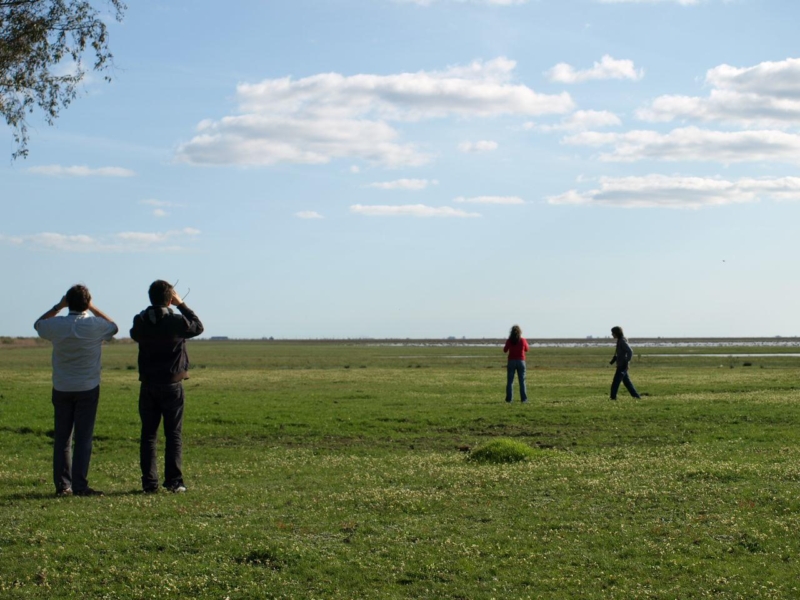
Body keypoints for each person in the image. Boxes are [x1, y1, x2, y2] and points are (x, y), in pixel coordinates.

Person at [34, 285, 118, 497]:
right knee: (83, 438)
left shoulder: (57, 325)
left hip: (61, 386)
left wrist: (58, 306)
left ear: (68, 302)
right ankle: (80, 485)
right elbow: (113, 327)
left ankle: (63, 486)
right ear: (87, 303)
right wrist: (94, 307)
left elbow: (38, 324)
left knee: (62, 439)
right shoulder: (94, 325)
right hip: (88, 387)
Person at [130, 280, 203, 493]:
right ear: (170, 299)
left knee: (148, 435)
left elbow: (135, 333)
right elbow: (198, 326)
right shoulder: (177, 321)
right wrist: (181, 305)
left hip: (148, 384)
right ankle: (174, 481)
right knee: (173, 435)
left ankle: (149, 483)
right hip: (172, 384)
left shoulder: (141, 320)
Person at [609, 326, 641, 400]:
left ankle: (613, 398)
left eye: (613, 333)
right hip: (621, 365)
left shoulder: (622, 341)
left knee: (615, 382)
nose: (612, 335)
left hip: (622, 365)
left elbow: (630, 351)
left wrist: (627, 362)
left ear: (617, 333)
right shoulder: (620, 340)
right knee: (627, 383)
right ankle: (636, 397)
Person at [503, 325, 529, 403]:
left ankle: (509, 399)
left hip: (511, 361)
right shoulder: (523, 340)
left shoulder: (509, 340)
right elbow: (527, 349)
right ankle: (524, 399)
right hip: (521, 361)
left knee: (510, 381)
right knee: (522, 381)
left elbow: (505, 350)